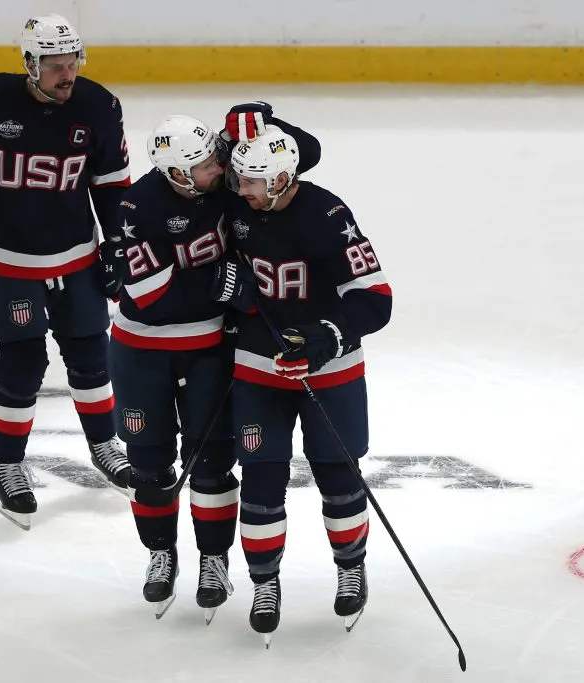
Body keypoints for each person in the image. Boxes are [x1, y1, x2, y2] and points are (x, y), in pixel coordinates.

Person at [109, 106, 320, 621]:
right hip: (142, 351)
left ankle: (213, 560)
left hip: (210, 349)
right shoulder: (136, 206)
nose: (221, 169)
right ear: (177, 173)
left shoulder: (225, 181)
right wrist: (219, 286)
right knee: (149, 464)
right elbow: (150, 299)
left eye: (216, 158)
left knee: (210, 461)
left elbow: (305, 157)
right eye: (206, 165)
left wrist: (266, 122)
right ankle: (161, 553)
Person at [0, 14, 132, 531]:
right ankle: (8, 465)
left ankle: (105, 446)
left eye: (73, 62)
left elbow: (112, 184)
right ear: (30, 64)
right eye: (56, 65)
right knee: (23, 362)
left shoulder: (99, 107)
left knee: (91, 354)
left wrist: (118, 244)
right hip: (6, 258)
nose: (68, 74)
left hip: (75, 254)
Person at [223, 125, 393, 645]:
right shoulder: (239, 206)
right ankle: (264, 584)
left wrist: (329, 335)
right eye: (238, 179)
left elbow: (375, 299)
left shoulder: (327, 214)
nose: (240, 189)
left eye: (251, 181)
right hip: (258, 370)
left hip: (331, 372)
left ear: (280, 179)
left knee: (338, 477)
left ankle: (351, 568)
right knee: (260, 478)